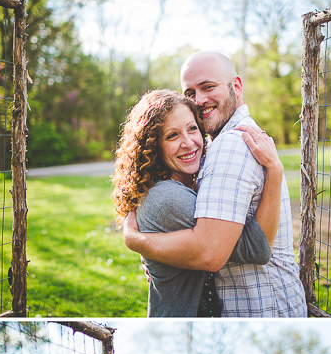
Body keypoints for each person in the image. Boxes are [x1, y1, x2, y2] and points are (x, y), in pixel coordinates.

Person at [122, 51, 307, 317]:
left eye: (208, 87)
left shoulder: (231, 145)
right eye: (190, 93)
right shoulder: (172, 189)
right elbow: (237, 248)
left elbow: (214, 251)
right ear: (154, 146)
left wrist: (137, 240)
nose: (199, 100)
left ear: (237, 86)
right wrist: (141, 243)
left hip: (263, 307)